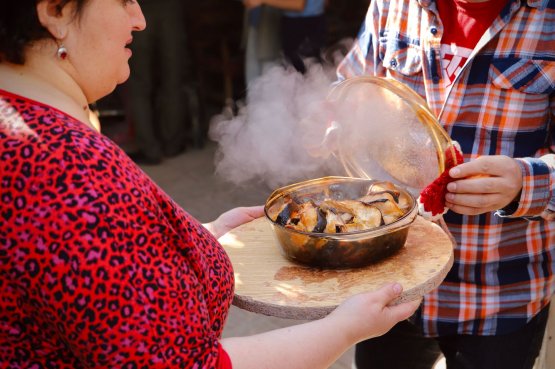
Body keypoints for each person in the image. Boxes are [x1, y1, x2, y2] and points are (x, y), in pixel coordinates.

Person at [0, 1, 420, 368]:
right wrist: (345, 329)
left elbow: (93, 278)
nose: (140, 19)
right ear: (55, 11)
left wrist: (196, 242)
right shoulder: (71, 172)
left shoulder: (25, 125)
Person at [336, 0, 555, 368]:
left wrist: (525, 183)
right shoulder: (393, 5)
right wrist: (330, 120)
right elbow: (351, 91)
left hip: (501, 293)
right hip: (391, 278)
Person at [125, 0, 188, 164]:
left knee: (138, 83)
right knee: (173, 79)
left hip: (139, 8)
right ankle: (172, 144)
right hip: (169, 9)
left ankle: (149, 149)